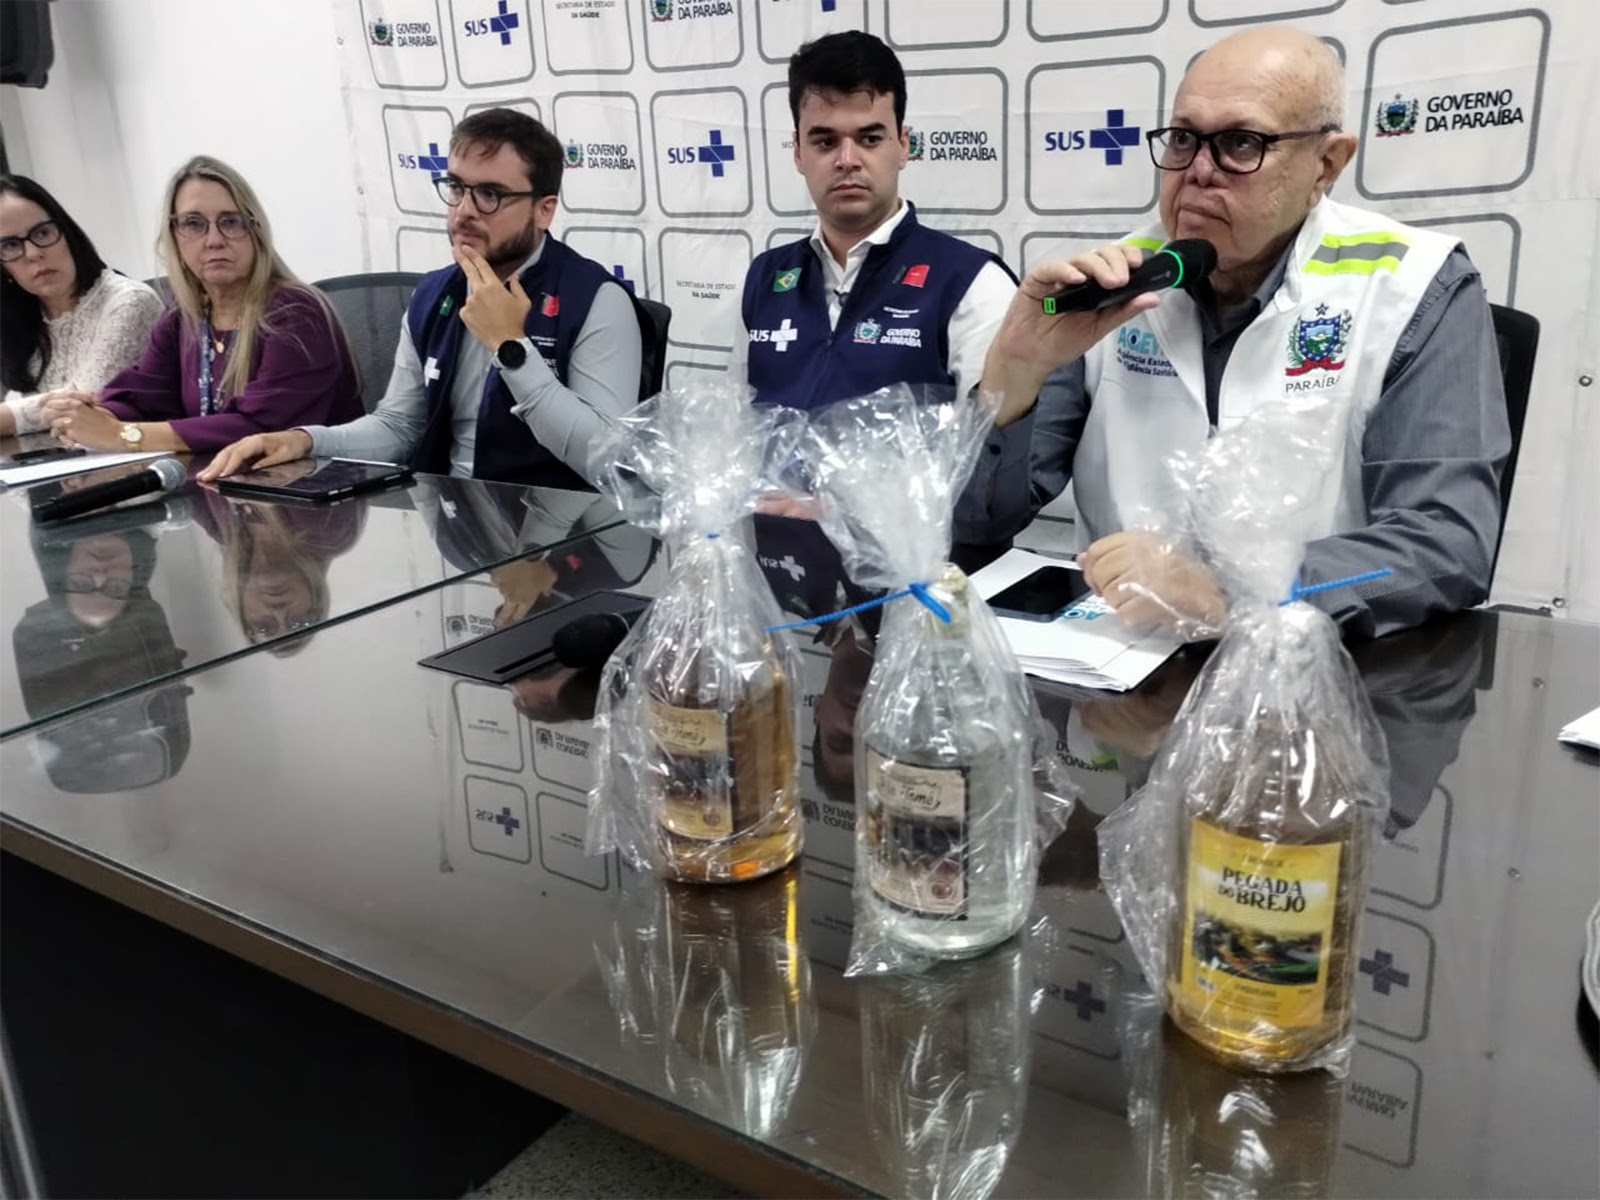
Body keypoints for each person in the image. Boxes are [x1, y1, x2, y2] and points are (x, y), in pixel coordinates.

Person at [980, 26, 1510, 639]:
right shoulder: (1113, 284)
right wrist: (1012, 376)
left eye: (1241, 143)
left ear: (1327, 164)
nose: (1199, 171)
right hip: (1119, 664)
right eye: (1184, 138)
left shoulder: (1412, 285)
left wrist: (1233, 588)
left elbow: (1445, 546)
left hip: (1323, 671)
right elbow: (976, 523)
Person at [199, 107, 644, 491]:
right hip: (454, 526)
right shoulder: (433, 294)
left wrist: (511, 348)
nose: (464, 210)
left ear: (543, 210)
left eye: (490, 195)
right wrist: (304, 440)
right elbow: (399, 427)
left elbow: (609, 463)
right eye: (457, 188)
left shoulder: (597, 301)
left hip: (559, 535)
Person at [734, 31, 1028, 565]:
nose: (847, 160)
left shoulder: (972, 282)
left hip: (920, 587)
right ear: (797, 152)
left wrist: (844, 514)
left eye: (869, 138)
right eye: (825, 142)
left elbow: (987, 493)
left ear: (903, 145)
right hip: (780, 579)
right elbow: (740, 436)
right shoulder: (765, 278)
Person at [41, 156, 361, 453]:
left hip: (312, 487)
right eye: (193, 224)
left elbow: (261, 429)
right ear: (174, 238)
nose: (214, 240)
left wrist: (121, 435)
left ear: (256, 233)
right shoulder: (182, 318)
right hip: (218, 484)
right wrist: (90, 416)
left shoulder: (295, 312)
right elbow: (145, 397)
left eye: (231, 222)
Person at [0, 174, 164, 437]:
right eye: (10, 245)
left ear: (67, 234)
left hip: (138, 456)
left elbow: (82, 404)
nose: (33, 253)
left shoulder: (130, 301)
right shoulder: (19, 319)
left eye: (42, 233)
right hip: (54, 458)